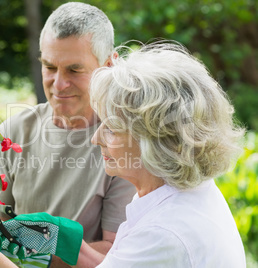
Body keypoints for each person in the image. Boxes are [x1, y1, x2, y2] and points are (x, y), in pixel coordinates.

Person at [74, 41, 246, 267]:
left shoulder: (163, 234)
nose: (95, 139)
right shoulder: (185, 193)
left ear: (156, 141)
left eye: (112, 129)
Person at [0, 2, 136, 265]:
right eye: (49, 67)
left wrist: (31, 260)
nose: (59, 84)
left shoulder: (127, 143)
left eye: (74, 69)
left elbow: (117, 255)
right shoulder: (12, 133)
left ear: (108, 65)